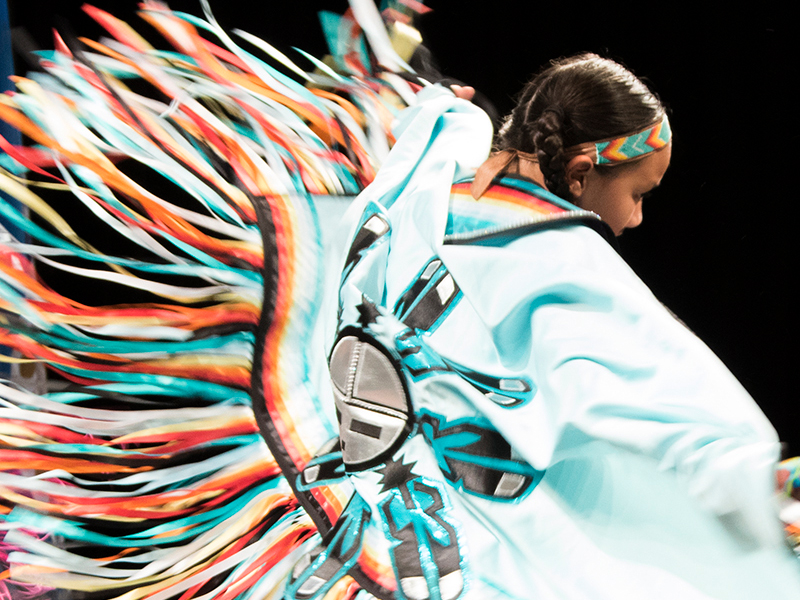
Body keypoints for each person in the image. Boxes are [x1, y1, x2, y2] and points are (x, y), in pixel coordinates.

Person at [287, 53, 800, 599]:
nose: (634, 220)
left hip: (353, 542)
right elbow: (677, 425)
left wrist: (433, 95)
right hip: (477, 563)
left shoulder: (416, 187)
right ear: (579, 173)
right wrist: (777, 490)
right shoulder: (558, 264)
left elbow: (438, 121)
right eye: (638, 194)